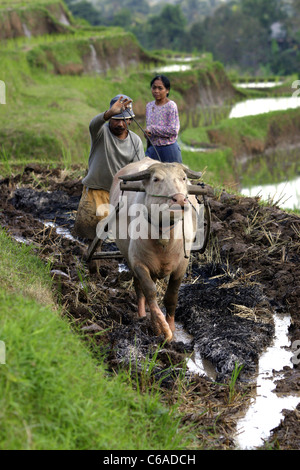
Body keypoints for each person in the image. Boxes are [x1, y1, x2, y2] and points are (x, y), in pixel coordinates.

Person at [73, 94, 145, 241]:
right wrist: (110, 112)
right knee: (88, 236)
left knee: (116, 239)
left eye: (124, 120)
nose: (120, 124)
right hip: (96, 192)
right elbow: (93, 124)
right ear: (110, 119)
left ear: (130, 121)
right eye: (116, 120)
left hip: (119, 196)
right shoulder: (101, 133)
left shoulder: (135, 141)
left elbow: (138, 169)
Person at [145, 75, 182, 163]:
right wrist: (147, 133)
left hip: (169, 149)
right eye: (154, 88)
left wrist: (152, 129)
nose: (156, 91)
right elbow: (149, 127)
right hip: (153, 148)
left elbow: (173, 130)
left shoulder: (171, 106)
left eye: (160, 88)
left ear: (167, 90)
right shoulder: (149, 106)